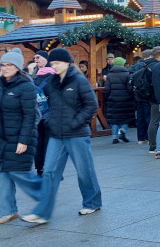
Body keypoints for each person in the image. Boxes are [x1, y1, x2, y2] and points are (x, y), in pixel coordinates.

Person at [22, 48, 102, 224]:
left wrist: (75, 122)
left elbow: (91, 105)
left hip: (77, 134)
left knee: (84, 171)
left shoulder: (79, 81)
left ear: (67, 62)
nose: (54, 66)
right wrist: (50, 120)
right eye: (53, 63)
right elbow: (44, 103)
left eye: (57, 63)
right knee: (49, 172)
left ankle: (93, 202)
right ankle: (42, 212)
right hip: (56, 134)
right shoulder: (51, 82)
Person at [0, 48, 43, 224]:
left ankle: (46, 199)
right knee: (1, 174)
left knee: (21, 174)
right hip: (2, 138)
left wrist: (23, 140)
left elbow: (30, 116)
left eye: (9, 65)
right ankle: (6, 212)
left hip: (19, 138)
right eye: (3, 65)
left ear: (17, 67)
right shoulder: (2, 84)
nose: (5, 68)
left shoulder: (27, 87)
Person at [28, 50, 54, 176]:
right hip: (43, 114)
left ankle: (44, 167)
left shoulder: (51, 75)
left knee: (45, 141)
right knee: (42, 141)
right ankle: (42, 167)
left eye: (38, 57)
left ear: (45, 59)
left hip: (45, 114)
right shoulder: (35, 75)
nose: (36, 60)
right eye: (34, 58)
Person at [104, 57, 134, 144]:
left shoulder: (109, 75)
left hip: (113, 100)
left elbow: (107, 89)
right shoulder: (127, 74)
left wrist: (107, 98)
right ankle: (122, 131)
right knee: (126, 118)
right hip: (125, 100)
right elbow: (129, 89)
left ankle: (115, 138)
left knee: (114, 119)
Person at [129, 49, 153, 145]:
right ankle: (148, 136)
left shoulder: (134, 67)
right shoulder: (148, 66)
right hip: (147, 94)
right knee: (148, 116)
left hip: (138, 94)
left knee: (140, 117)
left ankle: (140, 137)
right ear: (150, 56)